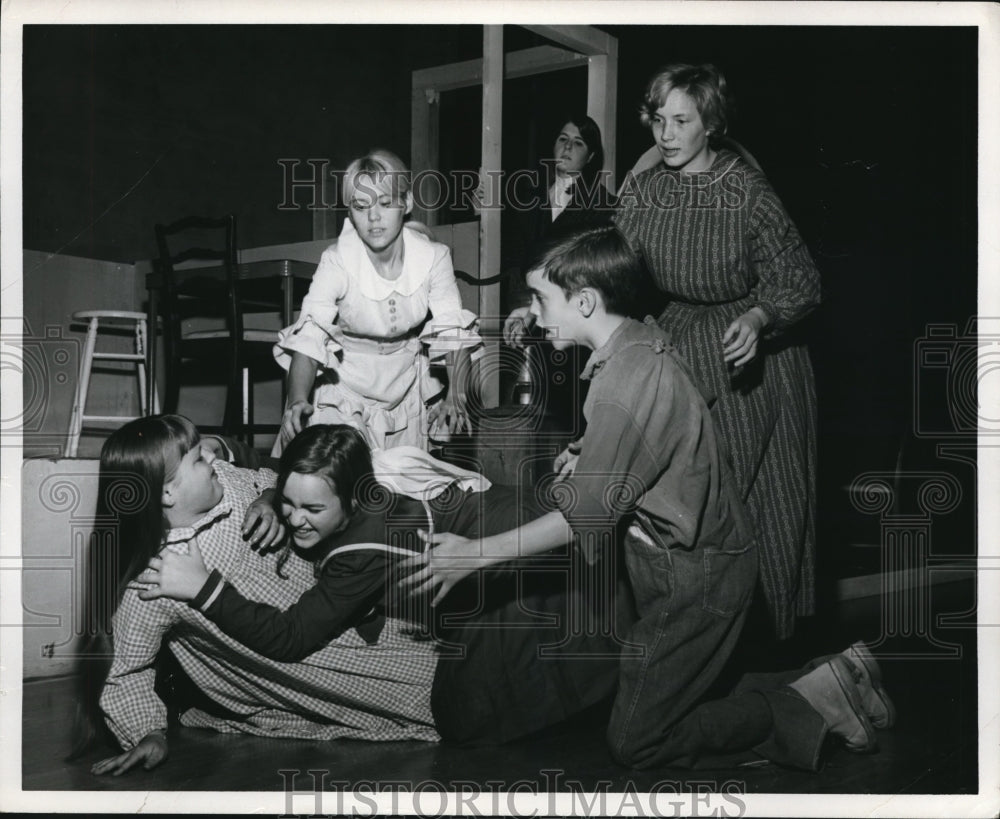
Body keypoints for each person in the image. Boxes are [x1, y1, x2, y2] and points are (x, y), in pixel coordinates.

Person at [403, 226, 893, 770]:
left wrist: (474, 553)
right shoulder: (637, 344)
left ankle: (803, 705)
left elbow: (582, 517)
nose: (536, 315)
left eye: (542, 298)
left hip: (695, 575)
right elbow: (660, 424)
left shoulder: (619, 385)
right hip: (683, 565)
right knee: (691, 688)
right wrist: (591, 451)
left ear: (584, 301)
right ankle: (835, 676)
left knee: (639, 738)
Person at [138, 423, 627, 748]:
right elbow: (264, 466)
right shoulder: (348, 479)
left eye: (313, 510)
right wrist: (268, 495)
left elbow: (289, 638)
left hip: (517, 548)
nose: (295, 520)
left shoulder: (360, 549)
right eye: (289, 502)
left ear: (352, 502)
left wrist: (204, 588)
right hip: (509, 518)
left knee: (470, 716)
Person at [79, 414, 442, 777]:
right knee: (430, 699)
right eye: (198, 458)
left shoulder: (229, 483)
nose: (212, 459)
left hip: (339, 611)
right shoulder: (157, 578)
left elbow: (272, 479)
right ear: (166, 492)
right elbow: (127, 670)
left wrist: (269, 499)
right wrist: (147, 733)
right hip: (307, 661)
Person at [614, 63, 821, 640]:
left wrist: (759, 316)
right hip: (682, 343)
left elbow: (801, 281)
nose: (666, 134)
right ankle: (690, 634)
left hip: (754, 366)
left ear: (711, 123)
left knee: (747, 505)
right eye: (659, 120)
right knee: (682, 495)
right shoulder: (647, 190)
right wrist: (557, 292)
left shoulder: (747, 192)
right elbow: (614, 262)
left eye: (682, 120)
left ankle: (749, 646)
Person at [273, 149, 481, 456]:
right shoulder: (337, 260)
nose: (373, 217)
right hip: (346, 388)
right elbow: (309, 334)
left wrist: (457, 395)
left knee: (403, 491)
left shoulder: (434, 257)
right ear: (350, 212)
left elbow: (452, 328)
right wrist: (296, 400)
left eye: (385, 203)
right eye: (360, 206)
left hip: (403, 388)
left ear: (406, 203)